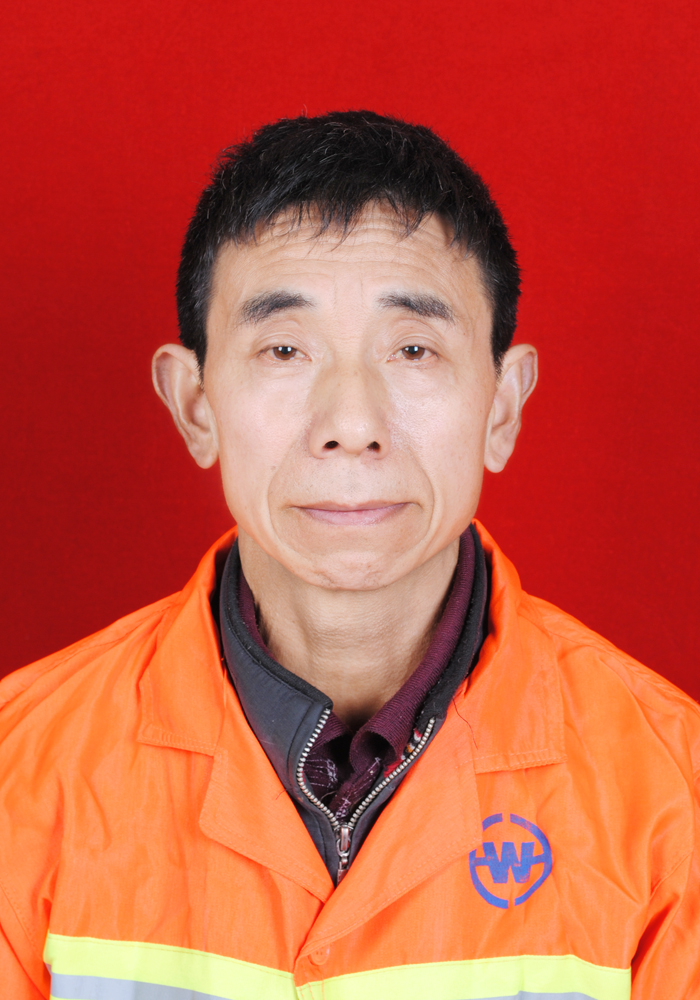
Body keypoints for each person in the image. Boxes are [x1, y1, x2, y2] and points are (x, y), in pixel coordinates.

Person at [1, 111, 698, 1000]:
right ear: (195, 405)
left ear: (503, 407)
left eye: (412, 349)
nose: (352, 424)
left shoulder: (674, 798)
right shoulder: (19, 773)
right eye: (284, 349)